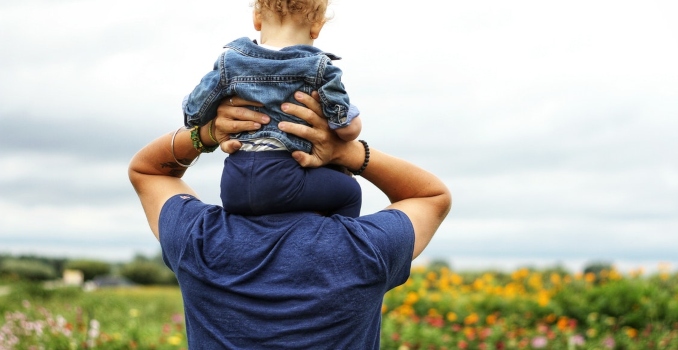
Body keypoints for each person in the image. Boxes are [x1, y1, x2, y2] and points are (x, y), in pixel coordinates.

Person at [128, 91, 451, 349]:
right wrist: (347, 151)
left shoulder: (199, 238)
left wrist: (208, 133)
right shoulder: (367, 248)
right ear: (336, 177)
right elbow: (431, 196)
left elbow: (148, 170)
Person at [182, 0, 362, 217]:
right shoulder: (320, 68)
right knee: (350, 192)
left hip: (233, 184)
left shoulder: (228, 62)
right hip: (285, 178)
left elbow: (193, 114)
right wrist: (353, 119)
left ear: (257, 19)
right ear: (317, 27)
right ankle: (336, 245)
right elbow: (346, 128)